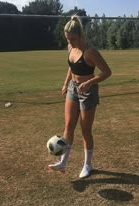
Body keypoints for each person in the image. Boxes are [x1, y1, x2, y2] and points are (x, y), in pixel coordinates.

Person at [48, 15, 112, 178]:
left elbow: (107, 72)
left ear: (81, 35)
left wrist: (90, 82)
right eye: (68, 39)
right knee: (68, 126)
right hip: (72, 89)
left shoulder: (90, 51)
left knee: (85, 130)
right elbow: (72, 67)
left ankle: (87, 165)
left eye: (73, 39)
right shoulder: (70, 47)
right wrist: (65, 83)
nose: (70, 42)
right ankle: (63, 163)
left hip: (88, 92)